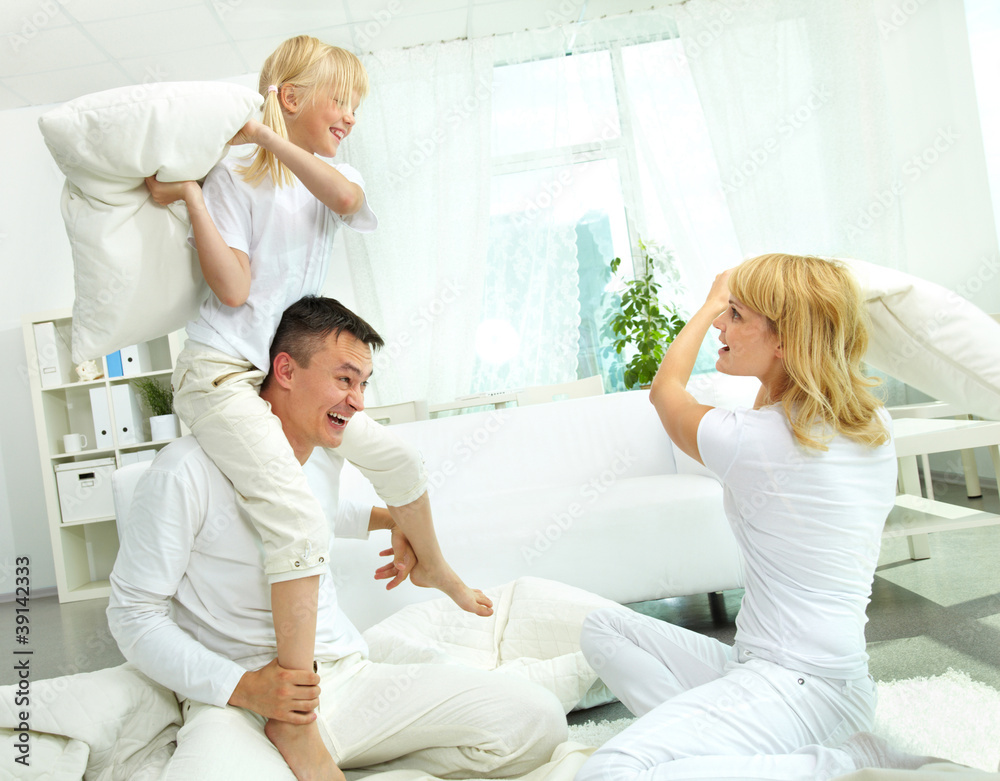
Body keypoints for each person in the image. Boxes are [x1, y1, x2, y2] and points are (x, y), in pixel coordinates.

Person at [143, 36, 490, 779]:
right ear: (292, 96)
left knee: (397, 456)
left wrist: (267, 136)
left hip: (282, 372)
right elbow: (233, 289)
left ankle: (433, 566)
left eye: (357, 105)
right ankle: (294, 719)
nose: (352, 115)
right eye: (342, 99)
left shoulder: (334, 176)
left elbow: (347, 200)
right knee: (294, 514)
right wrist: (197, 196)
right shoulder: (235, 175)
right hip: (221, 372)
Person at [107, 296, 568, 781]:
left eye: (363, 384)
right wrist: (242, 686)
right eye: (345, 380)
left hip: (345, 679)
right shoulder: (183, 471)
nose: (359, 401)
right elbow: (133, 614)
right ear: (285, 370)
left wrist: (392, 521)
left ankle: (356, 764)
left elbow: (328, 514)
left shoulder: (324, 455)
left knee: (536, 721)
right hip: (243, 703)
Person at [574, 253, 952, 780]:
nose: (720, 326)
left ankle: (835, 765)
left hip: (795, 687)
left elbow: (665, 393)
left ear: (785, 341)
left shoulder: (750, 440)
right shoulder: (875, 425)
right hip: (804, 677)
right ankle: (724, 753)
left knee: (609, 771)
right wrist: (754, 320)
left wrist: (709, 301)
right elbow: (779, 400)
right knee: (605, 627)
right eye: (724, 312)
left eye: (736, 316)